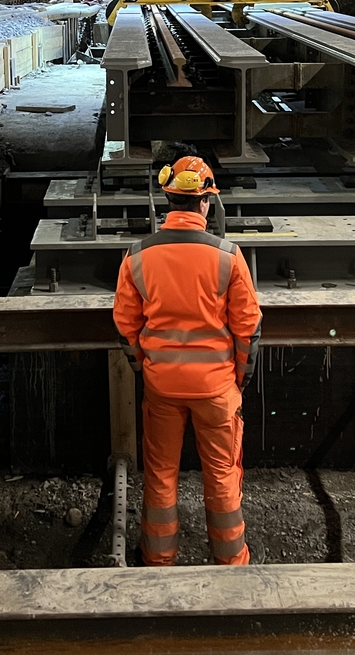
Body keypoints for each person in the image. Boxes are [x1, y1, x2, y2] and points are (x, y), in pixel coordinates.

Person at [113, 156, 261, 567]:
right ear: (205, 204)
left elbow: (126, 325)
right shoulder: (228, 256)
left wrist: (147, 366)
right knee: (222, 476)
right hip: (216, 389)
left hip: (162, 388)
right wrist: (238, 378)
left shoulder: (137, 256)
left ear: (168, 200)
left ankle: (159, 563)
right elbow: (248, 328)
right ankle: (231, 566)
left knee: (161, 475)